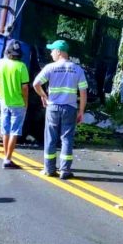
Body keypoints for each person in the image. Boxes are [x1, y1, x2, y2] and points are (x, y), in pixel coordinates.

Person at [33, 40, 88, 180]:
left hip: (53, 108)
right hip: (70, 108)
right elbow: (83, 92)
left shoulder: (50, 68)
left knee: (50, 137)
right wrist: (81, 110)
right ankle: (65, 170)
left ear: (59, 52)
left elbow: (36, 84)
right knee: (67, 139)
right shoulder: (77, 69)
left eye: (52, 50)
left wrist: (44, 96)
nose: (51, 53)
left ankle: (49, 169)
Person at [0, 40, 29, 169]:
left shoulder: (0, 64)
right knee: (15, 131)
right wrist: (25, 104)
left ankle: (6, 157)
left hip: (4, 102)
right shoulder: (21, 67)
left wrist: (2, 96)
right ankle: (8, 159)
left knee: (5, 130)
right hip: (18, 103)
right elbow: (25, 88)